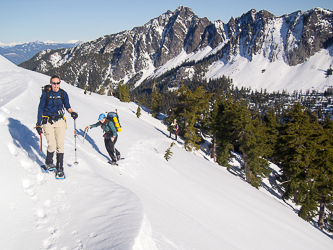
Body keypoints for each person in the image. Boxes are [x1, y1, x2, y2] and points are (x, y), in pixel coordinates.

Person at [36, 75, 78, 178]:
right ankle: (49, 162)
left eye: (57, 83)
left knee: (60, 145)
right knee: (51, 144)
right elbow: (40, 108)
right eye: (54, 83)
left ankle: (60, 168)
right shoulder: (46, 94)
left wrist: (72, 112)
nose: (56, 85)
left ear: (60, 83)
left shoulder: (63, 93)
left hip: (60, 121)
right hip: (48, 121)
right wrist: (38, 123)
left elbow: (67, 106)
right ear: (50, 83)